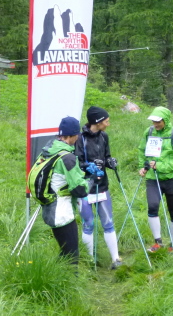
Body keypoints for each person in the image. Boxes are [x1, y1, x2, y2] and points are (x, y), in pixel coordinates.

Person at [75, 106, 122, 269]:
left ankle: (116, 259)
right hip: (85, 188)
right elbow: (77, 162)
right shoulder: (80, 138)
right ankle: (89, 261)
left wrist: (110, 162)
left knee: (108, 222)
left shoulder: (104, 136)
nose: (108, 124)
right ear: (97, 121)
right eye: (106, 121)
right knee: (88, 224)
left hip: (102, 186)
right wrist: (89, 165)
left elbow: (106, 157)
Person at [38, 116, 89, 264]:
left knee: (65, 252)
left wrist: (81, 170)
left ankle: (56, 275)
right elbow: (80, 189)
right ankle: (70, 279)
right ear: (73, 135)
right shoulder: (67, 158)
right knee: (72, 255)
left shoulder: (49, 149)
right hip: (62, 213)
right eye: (77, 135)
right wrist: (90, 180)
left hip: (50, 208)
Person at [138, 107, 173, 252]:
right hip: (153, 178)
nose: (155, 124)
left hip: (172, 179)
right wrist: (142, 166)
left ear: (165, 120)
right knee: (153, 206)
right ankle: (158, 242)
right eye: (153, 121)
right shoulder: (149, 132)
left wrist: (159, 166)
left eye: (158, 121)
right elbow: (142, 151)